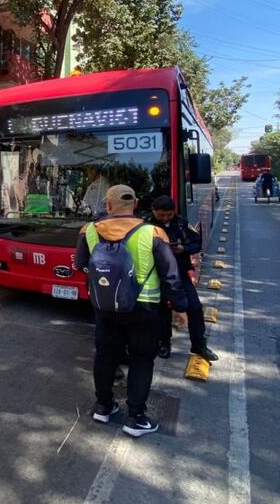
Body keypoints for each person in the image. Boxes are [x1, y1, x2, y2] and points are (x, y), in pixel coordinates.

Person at [75, 185, 185, 438]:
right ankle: (135, 418)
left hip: (104, 306)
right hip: (144, 307)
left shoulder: (88, 230)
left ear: (108, 205)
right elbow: (171, 275)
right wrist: (180, 308)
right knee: (141, 360)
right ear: (135, 204)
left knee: (105, 356)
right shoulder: (153, 232)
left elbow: (81, 264)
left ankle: (103, 407)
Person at [150, 196, 217, 362]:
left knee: (195, 307)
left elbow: (197, 243)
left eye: (169, 214)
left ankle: (199, 345)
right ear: (154, 211)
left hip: (180, 272)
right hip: (156, 274)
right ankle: (163, 343)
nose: (165, 218)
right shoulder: (147, 226)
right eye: (161, 215)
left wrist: (183, 249)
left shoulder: (181, 223)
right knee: (161, 311)